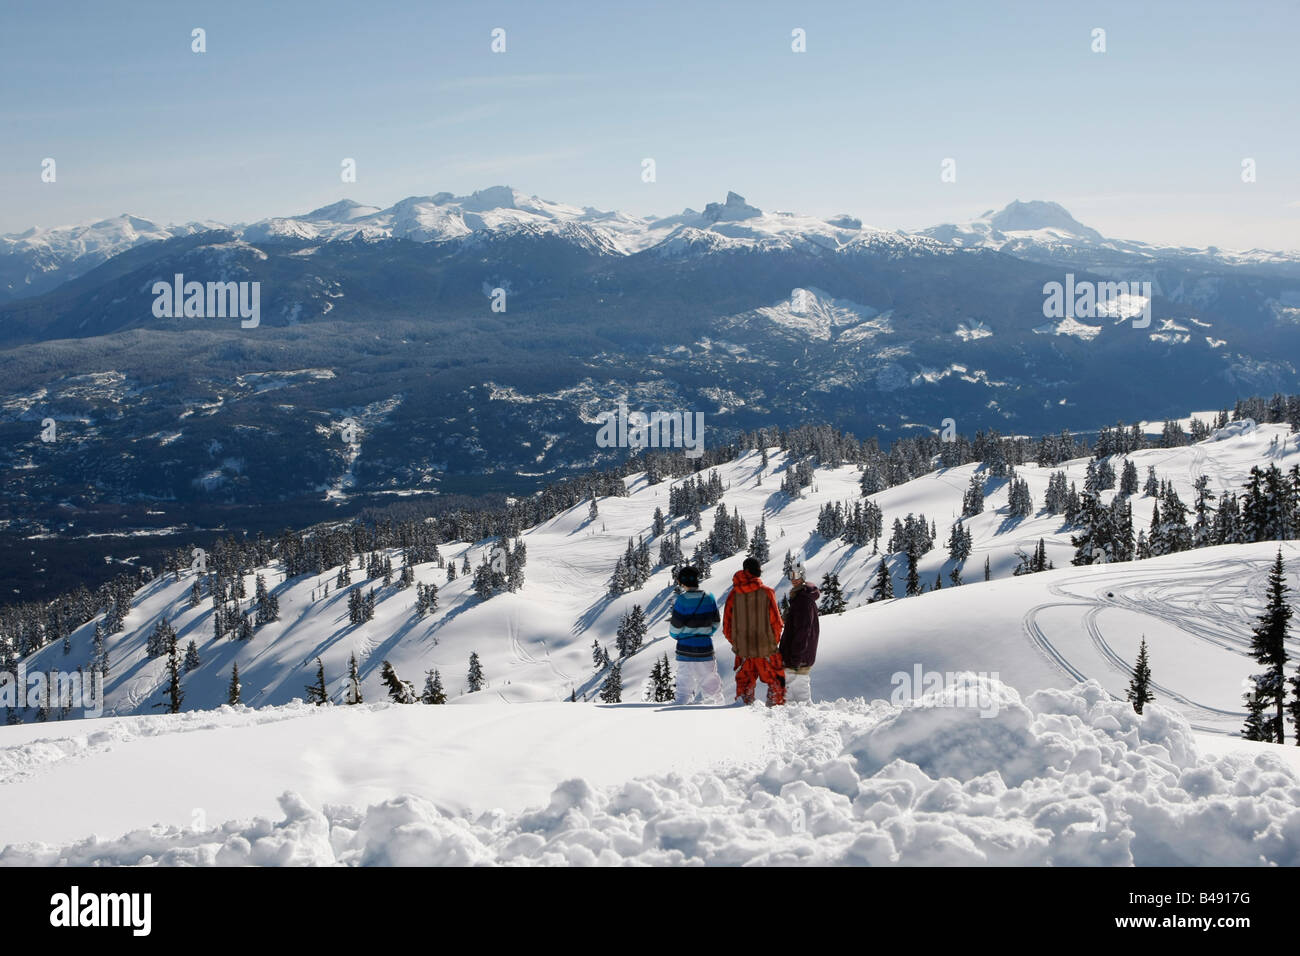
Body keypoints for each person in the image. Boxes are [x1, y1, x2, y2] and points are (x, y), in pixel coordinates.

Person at [723, 557, 785, 705]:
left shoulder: (733, 595)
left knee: (744, 692)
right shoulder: (767, 592)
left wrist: (739, 644)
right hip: (767, 650)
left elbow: (726, 627)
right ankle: (776, 716)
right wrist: (771, 643)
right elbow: (777, 623)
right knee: (776, 684)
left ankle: (744, 719)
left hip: (744, 653)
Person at [668, 565, 725, 705]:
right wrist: (704, 634)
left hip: (685, 648)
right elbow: (716, 623)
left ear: (682, 582)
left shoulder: (681, 600)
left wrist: (681, 636)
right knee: (711, 680)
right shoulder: (709, 597)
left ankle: (679, 707)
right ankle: (719, 705)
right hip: (705, 647)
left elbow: (675, 628)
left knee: (684, 681)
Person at [780, 558, 820, 703]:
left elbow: (803, 631)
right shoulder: (800, 598)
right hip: (797, 656)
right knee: (793, 694)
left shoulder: (803, 600)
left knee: (794, 696)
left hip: (797, 658)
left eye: (796, 575)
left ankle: (805, 721)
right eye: (791, 575)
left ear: (803, 576)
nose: (793, 579)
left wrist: (795, 658)